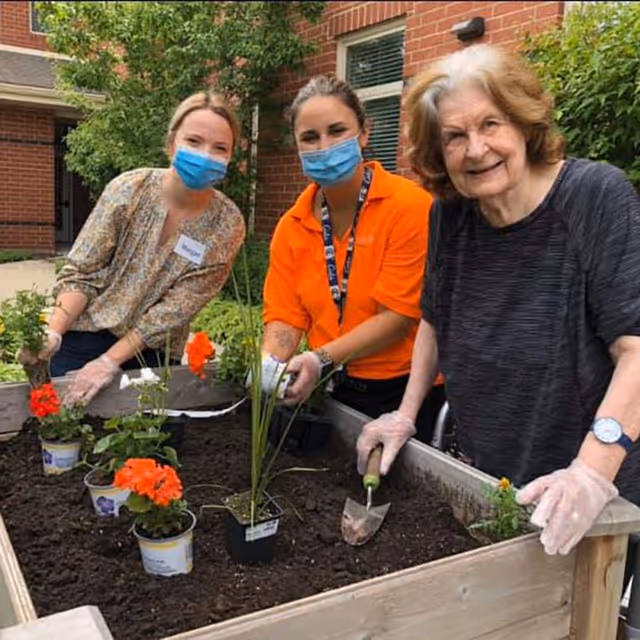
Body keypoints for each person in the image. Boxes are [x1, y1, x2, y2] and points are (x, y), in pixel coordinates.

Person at [356, 43, 640, 558]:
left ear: (524, 124)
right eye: (455, 136)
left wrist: (591, 472)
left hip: (590, 490)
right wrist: (405, 413)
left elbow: (636, 351)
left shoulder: (595, 197)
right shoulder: (451, 214)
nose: (476, 149)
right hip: (492, 477)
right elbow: (433, 321)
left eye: (491, 124)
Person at [19, 90, 246, 406]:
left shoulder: (227, 224)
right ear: (171, 145)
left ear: (230, 157)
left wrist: (109, 362)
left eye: (220, 147)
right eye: (193, 141)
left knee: (151, 443)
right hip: (87, 330)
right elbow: (83, 272)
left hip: (152, 349)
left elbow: (173, 312)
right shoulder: (129, 190)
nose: (206, 155)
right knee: (66, 427)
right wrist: (54, 333)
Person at [259, 75, 444, 444]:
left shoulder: (410, 208)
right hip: (332, 387)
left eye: (337, 130)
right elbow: (285, 316)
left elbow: (398, 318)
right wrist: (270, 370)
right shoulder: (292, 226)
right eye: (310, 138)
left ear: (364, 133)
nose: (324, 146)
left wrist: (319, 358)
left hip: (407, 393)